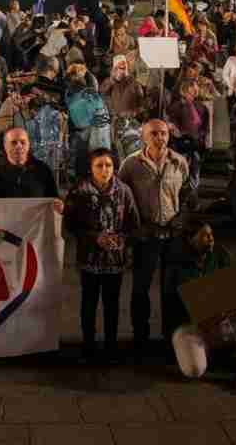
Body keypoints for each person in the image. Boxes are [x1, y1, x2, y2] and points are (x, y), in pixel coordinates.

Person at [117, 119, 191, 353]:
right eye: (155, 134)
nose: (161, 138)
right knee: (140, 288)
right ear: (144, 136)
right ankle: (140, 336)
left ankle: (171, 337)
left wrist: (182, 219)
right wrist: (133, 229)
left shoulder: (179, 163)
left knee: (173, 289)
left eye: (164, 133)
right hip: (145, 236)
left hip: (172, 236)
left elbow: (188, 194)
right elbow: (122, 199)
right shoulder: (130, 165)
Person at [167, 222, 236, 395]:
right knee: (194, 370)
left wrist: (217, 303)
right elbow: (189, 308)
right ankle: (208, 352)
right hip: (190, 324)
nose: (211, 239)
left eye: (211, 234)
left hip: (218, 317)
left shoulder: (220, 253)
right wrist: (217, 297)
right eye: (205, 235)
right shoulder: (178, 264)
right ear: (190, 239)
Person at [64, 148, 140, 363]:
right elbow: (70, 225)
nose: (104, 170)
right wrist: (94, 237)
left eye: (108, 165)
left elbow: (134, 225)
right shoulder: (79, 192)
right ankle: (88, 345)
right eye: (99, 165)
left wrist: (122, 240)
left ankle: (110, 346)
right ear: (90, 168)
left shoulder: (124, 191)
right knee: (88, 303)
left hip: (115, 261)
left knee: (112, 304)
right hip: (89, 260)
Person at [0, 127, 63, 208]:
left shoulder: (43, 170)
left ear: (28, 145)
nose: (19, 146)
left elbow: (54, 198)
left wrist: (59, 205)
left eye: (23, 142)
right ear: (5, 146)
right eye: (14, 143)